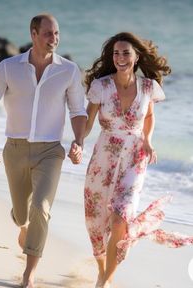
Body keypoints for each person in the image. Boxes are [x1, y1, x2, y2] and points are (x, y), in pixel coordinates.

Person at [0, 14, 86, 288]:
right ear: (34, 33)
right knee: (22, 213)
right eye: (48, 33)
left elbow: (78, 111)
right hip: (14, 149)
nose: (54, 39)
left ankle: (29, 273)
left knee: (41, 207)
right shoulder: (8, 67)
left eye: (57, 33)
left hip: (51, 151)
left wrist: (78, 141)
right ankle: (22, 224)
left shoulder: (69, 70)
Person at [83, 32, 193, 288]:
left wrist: (148, 140)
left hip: (134, 158)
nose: (120, 57)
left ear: (136, 57)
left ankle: (105, 281)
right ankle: (103, 270)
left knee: (121, 218)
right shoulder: (101, 86)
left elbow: (149, 117)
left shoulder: (148, 87)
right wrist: (78, 142)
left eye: (126, 53)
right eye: (116, 53)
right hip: (103, 158)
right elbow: (88, 122)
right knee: (97, 224)